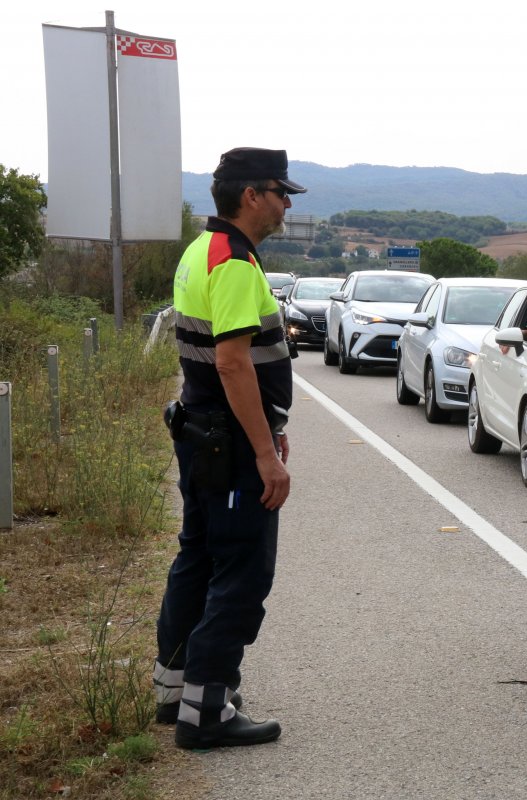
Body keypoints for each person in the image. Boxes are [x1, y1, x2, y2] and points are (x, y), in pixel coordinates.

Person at [153, 147, 304, 749]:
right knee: (241, 570)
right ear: (251, 195)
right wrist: (266, 451)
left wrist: (273, 421)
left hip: (200, 429)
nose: (286, 203)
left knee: (198, 556)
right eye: (281, 192)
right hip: (232, 442)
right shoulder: (237, 262)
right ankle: (208, 710)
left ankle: (175, 690)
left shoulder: (200, 249)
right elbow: (234, 362)